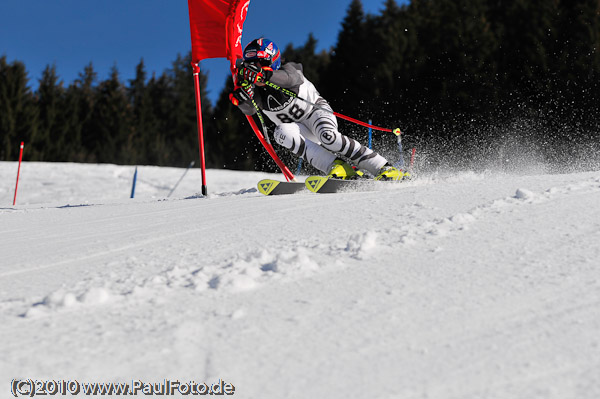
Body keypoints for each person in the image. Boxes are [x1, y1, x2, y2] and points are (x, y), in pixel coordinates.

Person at [229, 37, 408, 181]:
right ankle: (338, 167)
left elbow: (290, 79)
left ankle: (384, 167)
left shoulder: (289, 69)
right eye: (251, 64)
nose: (255, 69)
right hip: (299, 129)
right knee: (281, 133)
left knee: (328, 137)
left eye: (259, 63)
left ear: (272, 60)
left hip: (316, 113)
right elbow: (250, 110)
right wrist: (242, 98)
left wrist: (265, 75)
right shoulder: (258, 90)